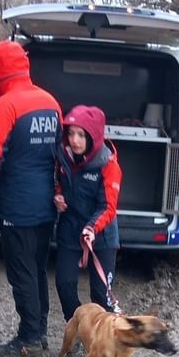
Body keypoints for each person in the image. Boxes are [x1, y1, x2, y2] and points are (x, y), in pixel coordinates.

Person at [0, 39, 62, 357]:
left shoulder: (6, 106)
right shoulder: (51, 102)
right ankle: (39, 329)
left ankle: (29, 335)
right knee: (38, 267)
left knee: (21, 270)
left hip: (16, 204)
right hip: (45, 203)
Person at [54, 105, 122, 321]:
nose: (74, 140)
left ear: (93, 137)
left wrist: (92, 228)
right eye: (71, 133)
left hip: (101, 237)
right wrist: (57, 196)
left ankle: (105, 341)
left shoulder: (108, 165)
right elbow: (57, 181)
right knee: (64, 284)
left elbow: (108, 207)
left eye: (81, 135)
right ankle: (78, 326)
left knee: (101, 296)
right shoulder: (63, 157)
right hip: (70, 231)